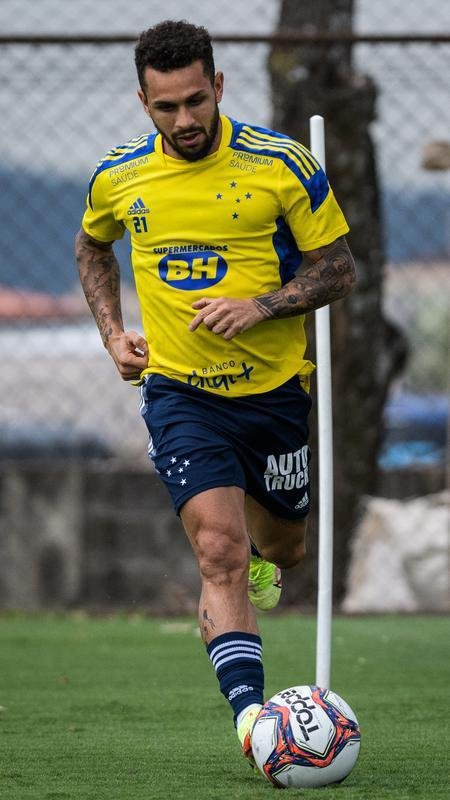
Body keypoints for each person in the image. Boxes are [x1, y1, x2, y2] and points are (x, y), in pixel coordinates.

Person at [75, 19, 356, 768]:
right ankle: (254, 726)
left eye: (197, 101)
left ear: (219, 86)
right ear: (144, 101)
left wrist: (260, 307)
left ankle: (266, 555)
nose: (186, 120)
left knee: (284, 551)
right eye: (167, 107)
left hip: (274, 393)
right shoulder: (119, 175)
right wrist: (113, 335)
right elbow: (92, 243)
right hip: (180, 393)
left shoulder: (281, 164)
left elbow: (339, 269)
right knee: (219, 552)